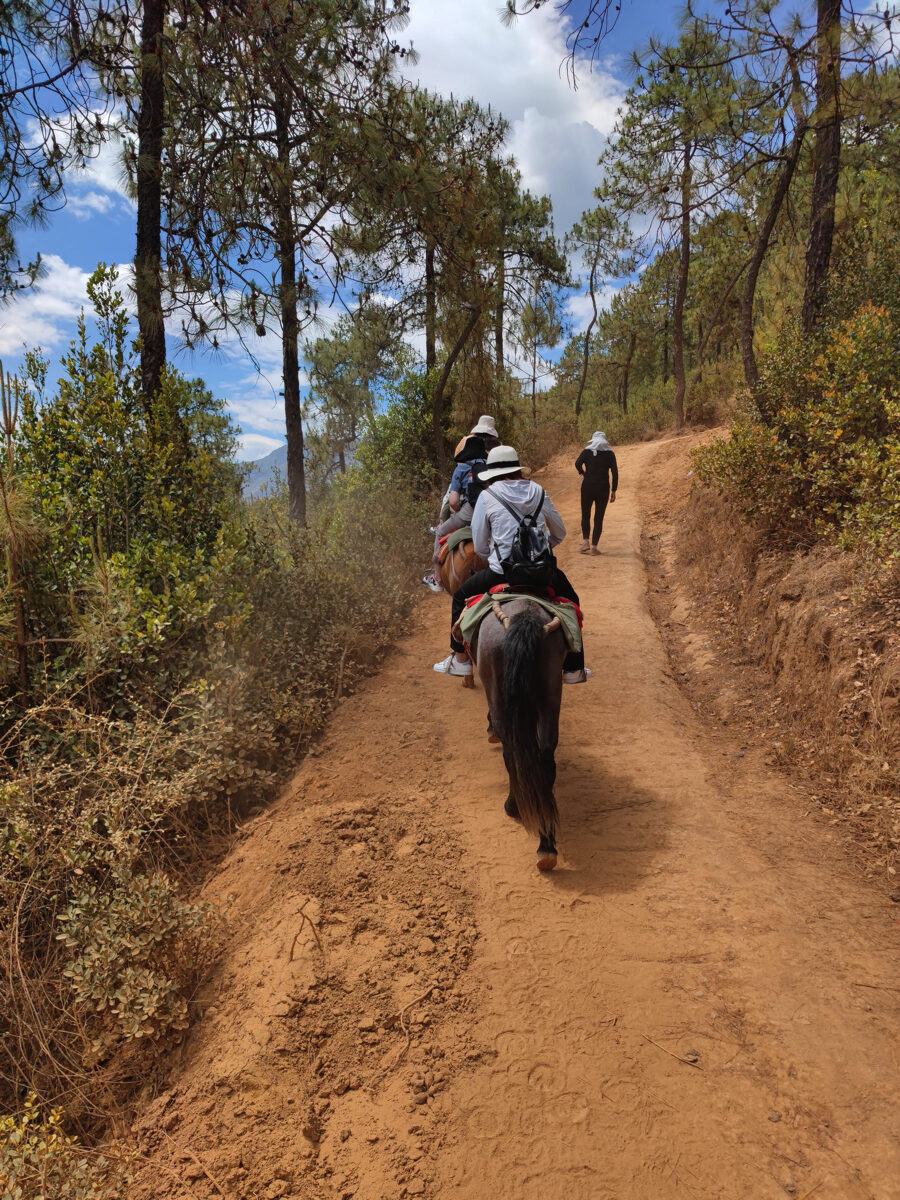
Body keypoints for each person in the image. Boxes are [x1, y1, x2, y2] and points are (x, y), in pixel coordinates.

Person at [432, 444, 592, 684]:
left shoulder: (487, 496)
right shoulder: (538, 491)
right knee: (572, 600)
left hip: (502, 572)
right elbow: (559, 533)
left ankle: (460, 660)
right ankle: (573, 668)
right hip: (542, 573)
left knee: (460, 596)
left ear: (492, 473)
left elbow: (480, 544)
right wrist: (538, 550)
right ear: (517, 469)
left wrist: (497, 554)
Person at [421, 433, 487, 592]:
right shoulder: (490, 466)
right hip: (490, 510)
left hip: (469, 512)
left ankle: (437, 578)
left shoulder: (461, 468)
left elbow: (453, 501)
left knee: (440, 532)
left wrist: (458, 511)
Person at [575, 430, 618, 555]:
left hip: (587, 487)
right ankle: (594, 547)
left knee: (585, 515)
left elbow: (577, 463)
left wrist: (583, 473)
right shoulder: (610, 453)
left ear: (593, 440)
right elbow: (615, 472)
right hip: (603, 489)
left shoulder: (587, 451)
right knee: (598, 517)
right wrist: (614, 490)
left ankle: (585, 542)